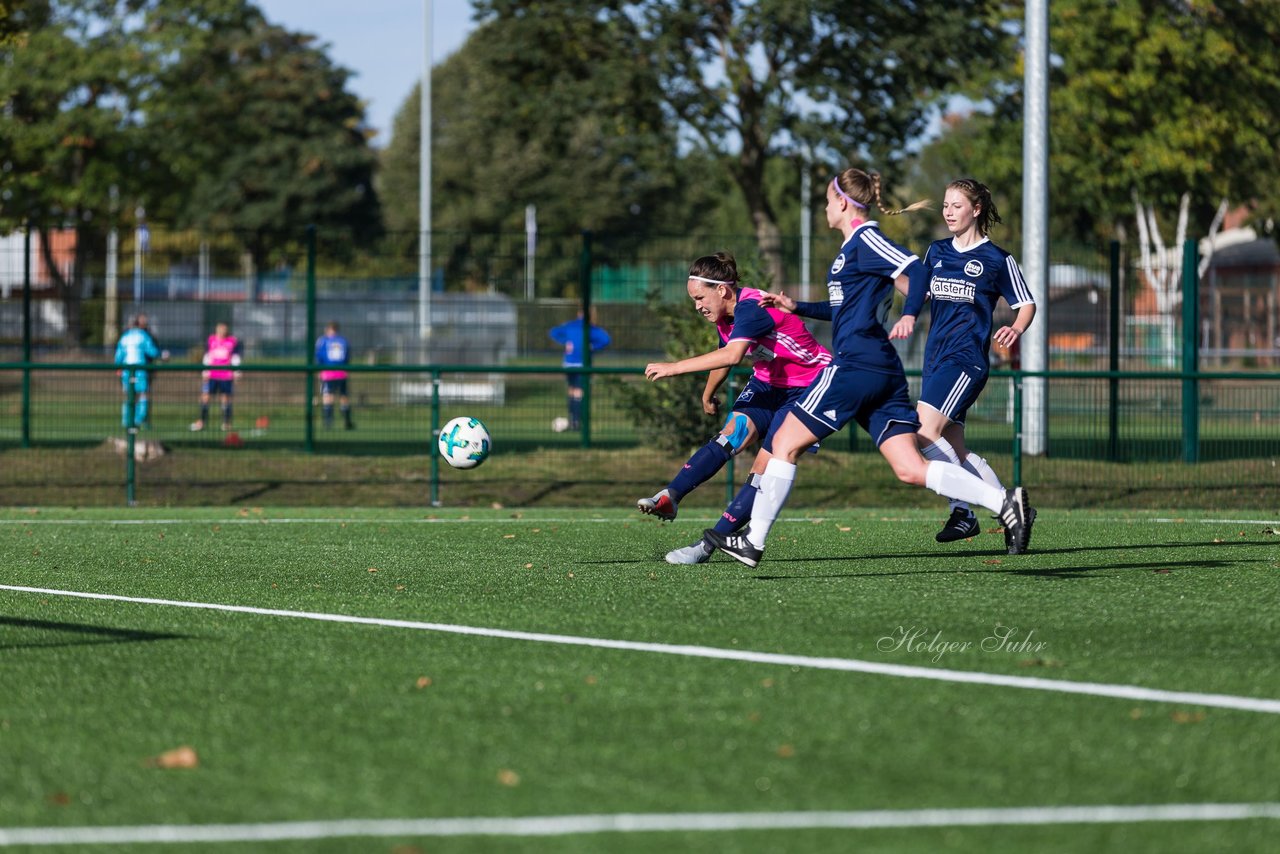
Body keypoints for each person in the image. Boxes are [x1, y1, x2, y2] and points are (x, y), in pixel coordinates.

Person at [703, 167, 1034, 567]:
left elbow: (913, 270)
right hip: (881, 368)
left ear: (842, 203)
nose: (825, 208)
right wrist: (797, 307)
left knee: (782, 444)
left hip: (859, 363)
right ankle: (1003, 501)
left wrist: (910, 313)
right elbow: (848, 306)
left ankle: (753, 541)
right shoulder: (852, 251)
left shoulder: (865, 239)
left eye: (827, 200)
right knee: (912, 466)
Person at [637, 252, 832, 565]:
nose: (697, 306)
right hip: (768, 384)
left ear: (722, 291)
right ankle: (670, 496)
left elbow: (733, 356)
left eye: (700, 297)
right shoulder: (726, 315)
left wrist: (673, 367)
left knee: (763, 468)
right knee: (731, 435)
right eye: (693, 299)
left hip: (809, 386)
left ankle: (706, 546)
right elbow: (724, 351)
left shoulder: (750, 308)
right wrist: (708, 393)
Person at [920, 178, 1037, 543]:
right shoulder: (936, 251)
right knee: (953, 446)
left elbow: (1026, 303)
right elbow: (918, 292)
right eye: (944, 205)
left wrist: (1016, 329)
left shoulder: (996, 259)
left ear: (976, 209)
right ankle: (1013, 509)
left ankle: (963, 511)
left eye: (956, 205)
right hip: (935, 359)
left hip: (966, 360)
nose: (948, 212)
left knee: (923, 432)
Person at [549, 308, 611, 432]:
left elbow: (553, 332)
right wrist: (593, 347)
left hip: (569, 364)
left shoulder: (571, 326)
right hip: (581, 364)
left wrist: (566, 342)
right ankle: (576, 421)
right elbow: (606, 339)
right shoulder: (589, 328)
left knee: (572, 390)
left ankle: (573, 420)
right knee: (578, 392)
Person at [113, 314, 167, 429]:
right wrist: (162, 355)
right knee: (142, 394)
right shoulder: (143, 336)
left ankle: (127, 420)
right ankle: (139, 419)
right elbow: (152, 351)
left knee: (129, 395)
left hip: (127, 370)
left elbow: (118, 355)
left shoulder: (124, 337)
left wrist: (118, 367)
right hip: (140, 370)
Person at [190, 321, 242, 432]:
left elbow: (235, 358)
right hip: (212, 375)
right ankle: (201, 422)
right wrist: (205, 372)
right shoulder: (211, 340)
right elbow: (207, 356)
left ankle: (226, 423)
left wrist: (236, 373)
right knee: (205, 397)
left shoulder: (232, 341)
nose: (222, 331)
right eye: (220, 329)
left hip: (226, 375)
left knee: (226, 399)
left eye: (224, 329)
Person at [316, 321, 355, 429]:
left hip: (328, 373)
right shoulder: (343, 341)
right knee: (344, 396)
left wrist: (320, 369)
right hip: (341, 372)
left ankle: (328, 422)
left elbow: (319, 356)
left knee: (328, 396)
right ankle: (347, 420)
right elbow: (347, 356)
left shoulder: (323, 340)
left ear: (328, 329)